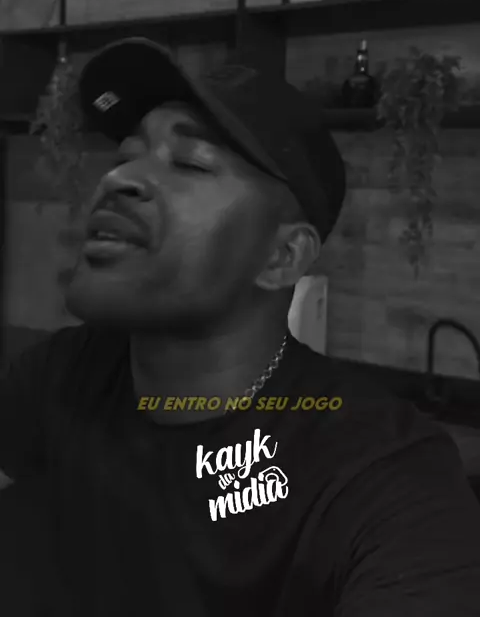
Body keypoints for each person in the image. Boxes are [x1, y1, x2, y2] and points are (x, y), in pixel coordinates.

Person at [0, 37, 480, 617]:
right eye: (125, 156)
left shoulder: (383, 476)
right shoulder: (57, 374)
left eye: (189, 163)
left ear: (281, 257)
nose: (119, 179)